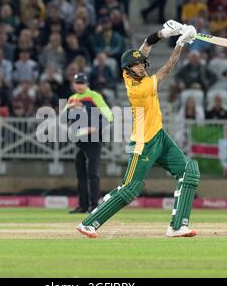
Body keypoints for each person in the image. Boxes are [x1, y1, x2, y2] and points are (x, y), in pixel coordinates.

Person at [76, 20, 200, 238]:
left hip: (159, 136)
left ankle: (178, 226)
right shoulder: (139, 89)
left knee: (189, 172)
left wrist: (164, 33)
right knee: (130, 189)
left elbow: (145, 46)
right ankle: (89, 223)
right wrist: (180, 43)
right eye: (137, 66)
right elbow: (167, 69)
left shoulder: (128, 72)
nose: (142, 66)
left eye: (143, 64)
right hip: (143, 142)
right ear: (128, 71)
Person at [62, 73, 114, 214]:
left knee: (92, 173)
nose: (79, 85)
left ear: (87, 84)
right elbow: (62, 118)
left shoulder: (94, 96)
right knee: (81, 174)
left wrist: (95, 127)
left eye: (82, 83)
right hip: (80, 140)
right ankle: (82, 205)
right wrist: (70, 107)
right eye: (77, 83)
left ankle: (94, 206)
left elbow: (109, 115)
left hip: (94, 139)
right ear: (73, 84)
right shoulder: (72, 99)